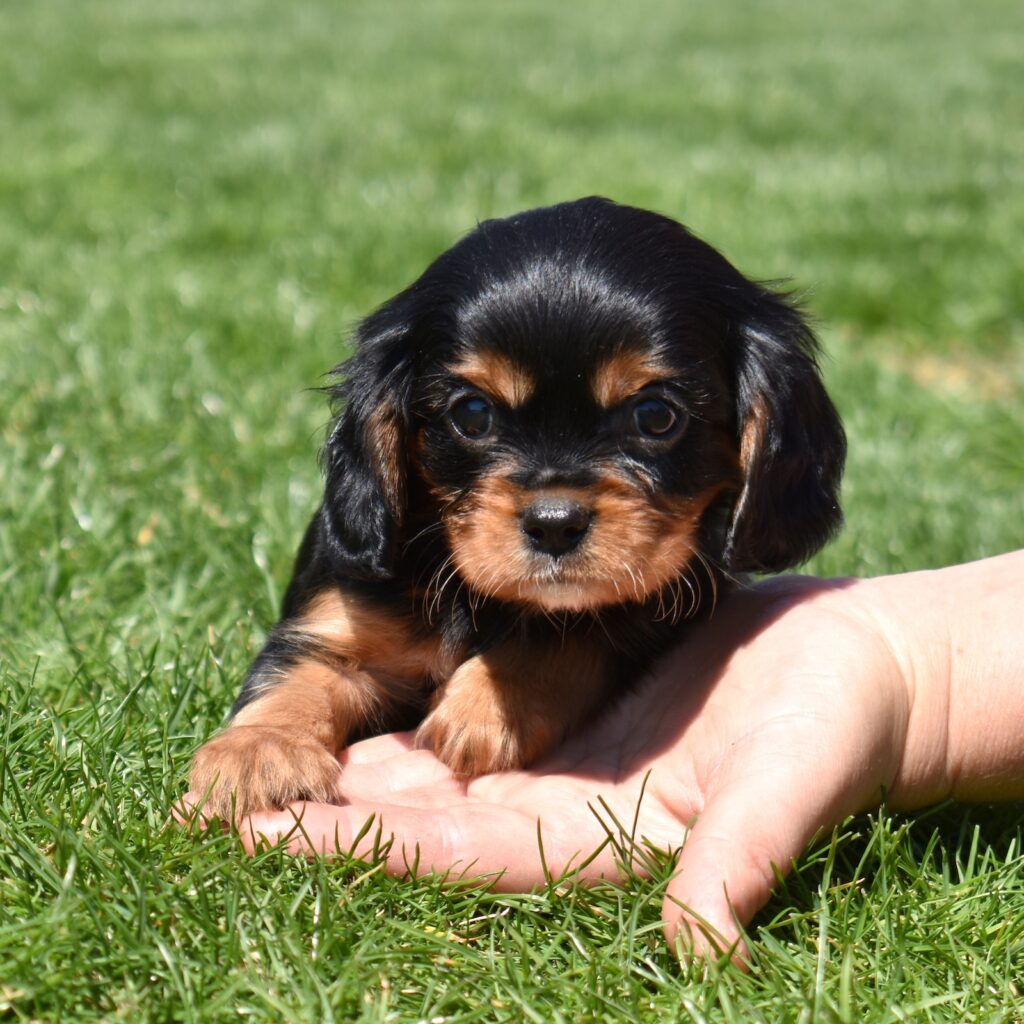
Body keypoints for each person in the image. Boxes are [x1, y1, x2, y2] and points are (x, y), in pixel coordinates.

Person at [182, 550, 1024, 962]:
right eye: (473, 415)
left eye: (653, 418)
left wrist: (888, 662)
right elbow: (332, 655)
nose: (555, 501)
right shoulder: (384, 559)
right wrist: (280, 724)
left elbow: (644, 625)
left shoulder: (674, 572)